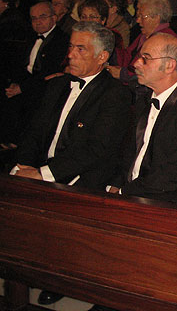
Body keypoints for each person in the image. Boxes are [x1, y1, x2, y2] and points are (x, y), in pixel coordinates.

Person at [9, 21, 131, 307]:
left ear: (102, 57)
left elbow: (96, 151)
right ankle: (20, 269)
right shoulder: (59, 84)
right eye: (70, 47)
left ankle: (57, 275)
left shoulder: (115, 94)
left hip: (81, 175)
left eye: (80, 49)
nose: (71, 55)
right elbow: (35, 131)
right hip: (42, 167)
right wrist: (22, 166)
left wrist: (43, 174)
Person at [106, 34, 177, 206]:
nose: (136, 63)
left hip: (170, 203)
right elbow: (128, 152)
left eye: (145, 59)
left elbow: (174, 176)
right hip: (134, 193)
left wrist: (124, 192)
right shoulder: (144, 98)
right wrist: (116, 183)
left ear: (169, 66)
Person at [1, 2, 68, 147]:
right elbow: (21, 65)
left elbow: (49, 72)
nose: (38, 21)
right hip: (28, 80)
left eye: (42, 17)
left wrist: (22, 87)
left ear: (54, 18)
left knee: (26, 99)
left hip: (46, 85)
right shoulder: (30, 37)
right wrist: (15, 83)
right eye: (33, 18)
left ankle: (19, 144)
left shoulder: (61, 40)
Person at [107, 0, 177, 84]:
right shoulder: (145, 35)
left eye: (142, 16)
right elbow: (128, 57)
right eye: (138, 16)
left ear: (156, 18)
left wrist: (122, 74)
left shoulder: (165, 40)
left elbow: (153, 74)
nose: (138, 20)